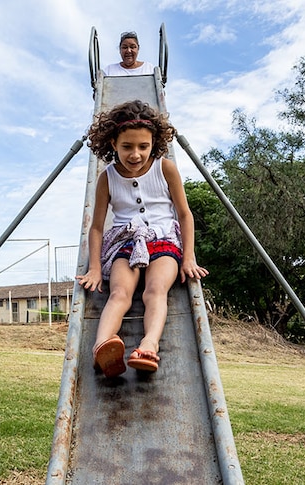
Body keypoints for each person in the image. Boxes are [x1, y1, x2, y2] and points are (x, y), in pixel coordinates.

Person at [76, 100, 208, 377]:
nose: (135, 154)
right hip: (127, 241)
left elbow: (185, 215)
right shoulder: (107, 178)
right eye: (127, 147)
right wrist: (96, 268)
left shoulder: (165, 168)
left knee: (155, 290)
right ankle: (102, 348)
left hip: (163, 241)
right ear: (113, 142)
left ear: (154, 144)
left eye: (143, 147)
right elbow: (97, 227)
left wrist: (188, 257)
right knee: (120, 292)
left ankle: (148, 345)